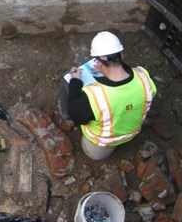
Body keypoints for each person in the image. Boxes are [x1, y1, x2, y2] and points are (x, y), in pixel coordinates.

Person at [57, 31, 157, 160]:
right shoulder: (144, 77)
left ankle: (95, 154)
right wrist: (105, 70)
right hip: (131, 132)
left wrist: (76, 81)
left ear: (98, 62)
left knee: (93, 154)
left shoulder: (94, 96)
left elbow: (78, 118)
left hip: (103, 142)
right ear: (122, 55)